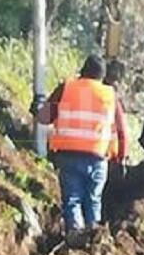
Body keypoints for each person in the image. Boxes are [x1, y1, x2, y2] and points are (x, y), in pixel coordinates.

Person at [33, 54, 126, 237]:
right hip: (98, 158)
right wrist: (121, 158)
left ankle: (75, 234)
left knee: (72, 199)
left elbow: (45, 117)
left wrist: (37, 106)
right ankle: (93, 236)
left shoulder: (67, 88)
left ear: (82, 71)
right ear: (102, 77)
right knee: (93, 200)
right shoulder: (110, 96)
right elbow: (122, 132)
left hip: (69, 156)